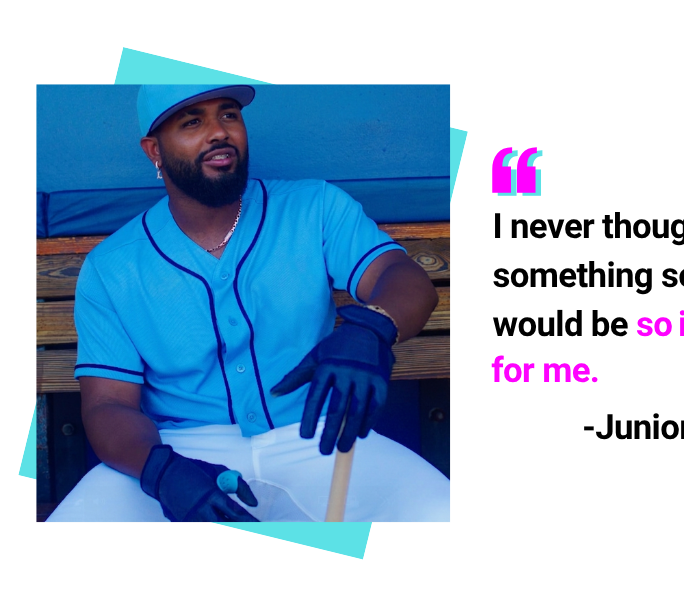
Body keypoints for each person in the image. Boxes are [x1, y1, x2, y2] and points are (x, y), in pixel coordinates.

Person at [46, 84, 450, 522]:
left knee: (442, 517)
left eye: (229, 115)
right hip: (180, 450)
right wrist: (159, 470)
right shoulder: (112, 265)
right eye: (192, 122)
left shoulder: (313, 206)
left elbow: (403, 277)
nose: (219, 132)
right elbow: (109, 405)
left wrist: (372, 326)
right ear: (154, 151)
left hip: (319, 437)